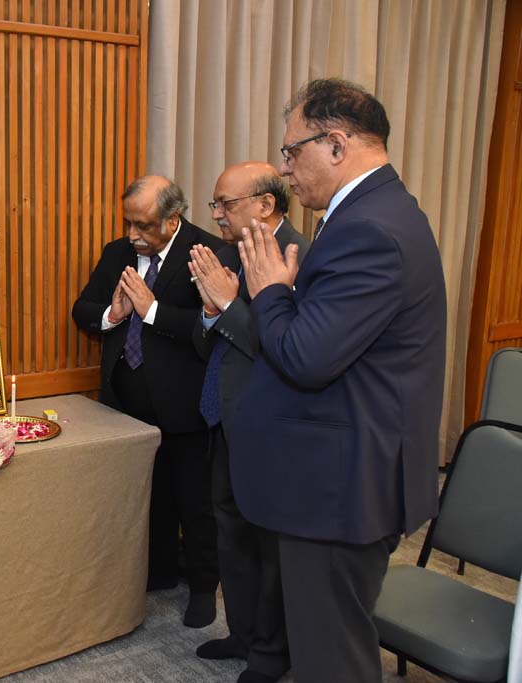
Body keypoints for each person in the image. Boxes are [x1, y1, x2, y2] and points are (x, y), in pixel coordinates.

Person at [228, 79, 446, 682]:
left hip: (339, 485)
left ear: (336, 143)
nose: (284, 168)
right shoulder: (369, 212)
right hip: (335, 473)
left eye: (291, 151)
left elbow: (306, 356)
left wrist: (269, 292)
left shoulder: (368, 228)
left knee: (333, 658)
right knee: (324, 640)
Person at [72, 175, 224, 627]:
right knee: (148, 493)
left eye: (142, 225)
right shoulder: (117, 253)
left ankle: (203, 588)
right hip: (126, 401)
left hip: (183, 403)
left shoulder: (207, 253)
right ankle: (158, 571)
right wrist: (112, 313)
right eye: (128, 223)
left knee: (194, 501)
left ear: (172, 220)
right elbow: (82, 309)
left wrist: (152, 311)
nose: (132, 234)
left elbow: (210, 328)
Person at [188, 162, 308, 683]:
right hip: (225, 415)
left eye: (226, 204)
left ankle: (270, 653)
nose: (216, 214)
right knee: (230, 531)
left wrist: (227, 303)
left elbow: (288, 349)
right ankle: (242, 632)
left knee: (268, 543)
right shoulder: (229, 254)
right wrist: (211, 311)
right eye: (214, 204)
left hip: (272, 423)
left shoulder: (298, 256)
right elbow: (204, 344)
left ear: (265, 204)